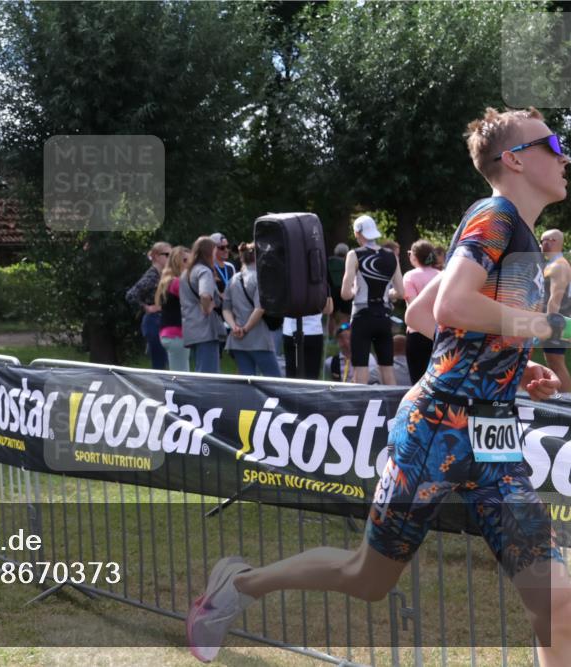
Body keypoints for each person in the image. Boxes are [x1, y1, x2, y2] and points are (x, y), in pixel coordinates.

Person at [188, 107, 571, 666]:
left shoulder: (523, 239)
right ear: (514, 158)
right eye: (554, 142)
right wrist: (538, 327)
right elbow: (448, 305)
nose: (565, 155)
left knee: (555, 602)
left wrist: (513, 364)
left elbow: (418, 316)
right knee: (366, 577)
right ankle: (238, 585)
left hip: (492, 434)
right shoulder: (496, 217)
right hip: (436, 427)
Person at [341, 215, 405, 385]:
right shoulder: (391, 256)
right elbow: (401, 291)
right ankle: (393, 410)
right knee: (387, 369)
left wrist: (355, 290)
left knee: (361, 369)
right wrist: (386, 294)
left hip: (362, 317)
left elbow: (345, 293)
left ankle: (361, 410)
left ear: (357, 233)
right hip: (383, 318)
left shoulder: (354, 255)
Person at [222, 242, 281, 377]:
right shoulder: (261, 279)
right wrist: (245, 329)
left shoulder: (233, 280)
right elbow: (259, 309)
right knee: (273, 379)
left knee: (246, 381)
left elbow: (226, 309)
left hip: (237, 340)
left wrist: (235, 327)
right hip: (259, 338)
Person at [180, 236, 225, 374]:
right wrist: (207, 308)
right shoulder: (204, 271)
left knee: (201, 370)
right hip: (206, 329)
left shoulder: (186, 273)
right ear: (209, 251)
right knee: (208, 374)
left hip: (192, 328)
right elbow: (205, 294)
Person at [401, 239, 441, 383]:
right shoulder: (440, 275)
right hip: (438, 332)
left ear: (414, 256)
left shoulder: (410, 276)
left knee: (417, 380)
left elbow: (413, 306)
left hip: (416, 332)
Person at [126, 241, 171, 370]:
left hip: (162, 321)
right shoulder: (152, 275)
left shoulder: (163, 275)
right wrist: (146, 307)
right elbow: (131, 295)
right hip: (154, 321)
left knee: (166, 362)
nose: (170, 258)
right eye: (167, 255)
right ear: (156, 256)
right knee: (159, 362)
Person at [541, 228, 571, 391]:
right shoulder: (553, 264)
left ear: (557, 242)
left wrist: (547, 323)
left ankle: (567, 403)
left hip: (556, 321)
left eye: (547, 240)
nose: (542, 244)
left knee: (556, 362)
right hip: (555, 320)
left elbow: (555, 299)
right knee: (553, 361)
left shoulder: (558, 266)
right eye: (541, 240)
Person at [155, 245, 191, 372]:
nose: (189, 264)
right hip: (177, 335)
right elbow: (191, 303)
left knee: (178, 373)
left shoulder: (167, 281)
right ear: (177, 262)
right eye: (185, 260)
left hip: (168, 334)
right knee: (182, 377)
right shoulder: (177, 282)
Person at [280, 297, 333, 380]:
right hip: (313, 331)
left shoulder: (286, 283)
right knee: (311, 378)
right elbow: (329, 308)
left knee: (291, 377)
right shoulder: (320, 283)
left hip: (289, 331)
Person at [327, 243, 352, 338]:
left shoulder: (329, 262)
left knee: (331, 316)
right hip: (345, 291)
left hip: (332, 292)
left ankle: (330, 337)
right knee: (345, 317)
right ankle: (342, 335)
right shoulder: (348, 263)